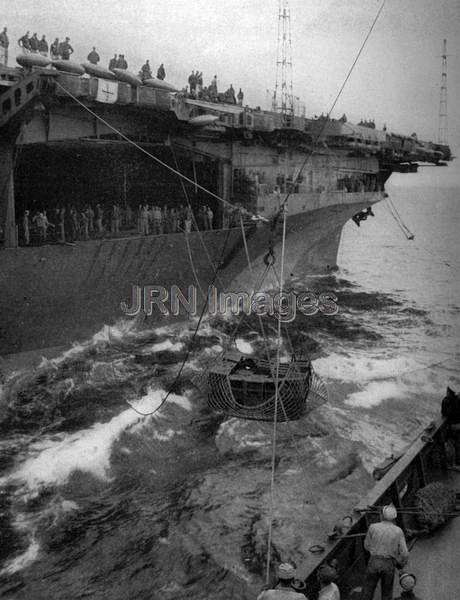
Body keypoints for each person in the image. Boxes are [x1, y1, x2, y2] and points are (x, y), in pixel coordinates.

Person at [361, 504, 408, 600]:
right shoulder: (398, 531)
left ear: (382, 515)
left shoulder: (373, 527)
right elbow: (405, 553)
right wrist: (401, 563)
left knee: (367, 591)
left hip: (374, 561)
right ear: (394, 517)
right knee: (386, 593)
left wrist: (374, 552)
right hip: (388, 563)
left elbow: (366, 545)